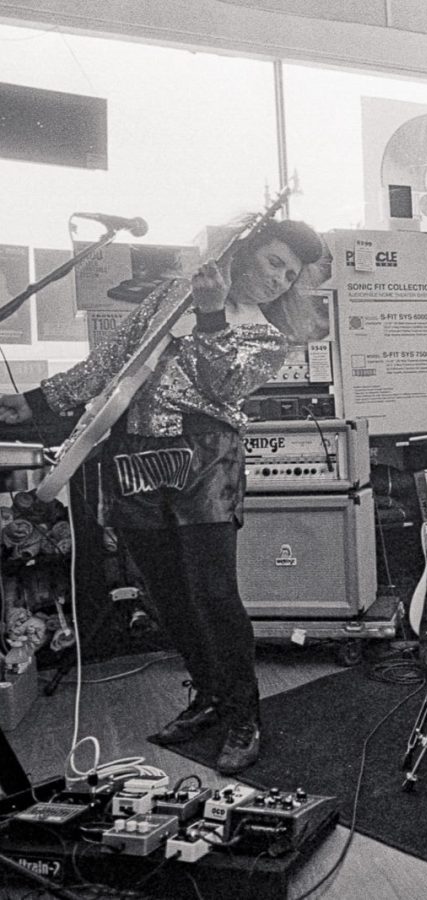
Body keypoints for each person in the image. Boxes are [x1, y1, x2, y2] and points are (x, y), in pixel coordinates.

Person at [0, 217, 324, 775]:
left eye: (289, 275)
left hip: (206, 459)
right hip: (135, 452)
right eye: (274, 262)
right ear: (244, 252)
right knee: (164, 592)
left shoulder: (272, 334)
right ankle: (208, 695)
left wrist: (211, 313)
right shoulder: (171, 296)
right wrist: (36, 400)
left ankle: (244, 714)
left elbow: (222, 384)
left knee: (215, 592)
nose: (279, 280)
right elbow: (114, 360)